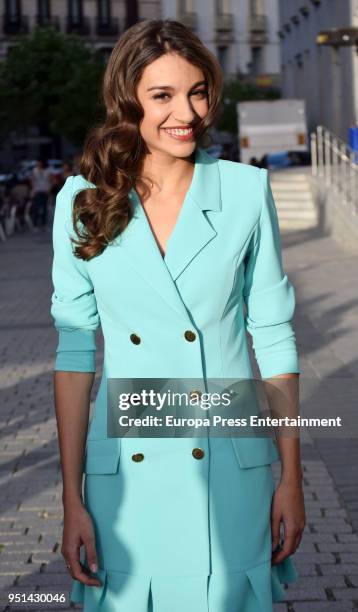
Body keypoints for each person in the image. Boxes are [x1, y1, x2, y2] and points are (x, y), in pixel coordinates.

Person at [51, 19, 305, 612]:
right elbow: (74, 354)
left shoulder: (244, 192)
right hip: (128, 474)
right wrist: (71, 497)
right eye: (162, 95)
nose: (185, 112)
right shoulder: (83, 200)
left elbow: (273, 337)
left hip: (228, 457)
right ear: (126, 101)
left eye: (197, 92)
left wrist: (291, 479)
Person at [30, 158, 52, 229]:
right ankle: (35, 223)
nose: (39, 164)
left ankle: (43, 223)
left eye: (40, 162)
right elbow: (32, 180)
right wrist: (33, 189)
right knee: (36, 207)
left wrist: (49, 189)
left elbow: (51, 180)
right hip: (37, 191)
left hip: (45, 191)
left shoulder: (47, 170)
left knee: (44, 207)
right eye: (38, 163)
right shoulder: (34, 170)